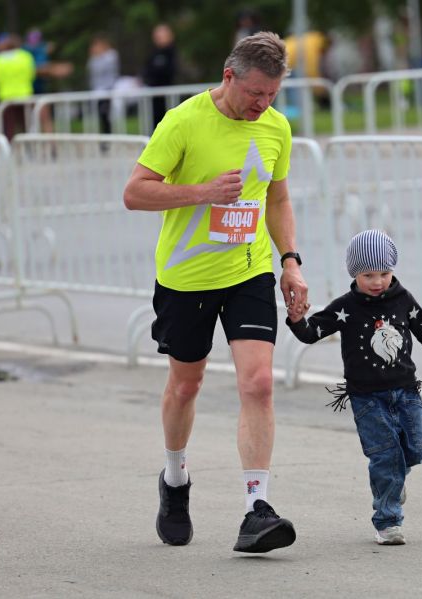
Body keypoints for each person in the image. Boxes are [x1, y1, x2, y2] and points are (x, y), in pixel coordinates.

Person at [122, 31, 307, 553]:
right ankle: (175, 478)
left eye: (272, 95)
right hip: (187, 279)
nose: (263, 104)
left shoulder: (276, 127)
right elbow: (134, 192)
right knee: (186, 385)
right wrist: (203, 192)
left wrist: (290, 261)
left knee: (259, 383)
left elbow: (277, 198)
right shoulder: (183, 121)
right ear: (229, 77)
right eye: (255, 93)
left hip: (249, 270)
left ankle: (257, 508)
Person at [285, 230, 422, 546]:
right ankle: (388, 521)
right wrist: (298, 319)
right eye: (368, 275)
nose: (377, 281)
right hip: (366, 397)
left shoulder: (403, 300)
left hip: (406, 391)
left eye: (384, 273)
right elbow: (311, 333)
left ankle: (393, 481)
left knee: (417, 447)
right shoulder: (346, 307)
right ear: (354, 274)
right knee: (384, 457)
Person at [0, 34, 36, 140]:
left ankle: (8, 147)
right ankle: (28, 146)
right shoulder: (25, 56)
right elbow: (31, 75)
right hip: (24, 94)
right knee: (26, 125)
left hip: (6, 96)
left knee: (8, 127)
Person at [142, 24, 177, 128]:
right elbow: (146, 71)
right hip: (154, 97)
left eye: (162, 36)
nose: (159, 39)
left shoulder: (172, 54)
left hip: (169, 97)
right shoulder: (153, 53)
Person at [87, 34, 119, 134]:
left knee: (106, 114)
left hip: (109, 88)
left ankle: (109, 134)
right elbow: (92, 70)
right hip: (97, 90)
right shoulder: (94, 58)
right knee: (100, 115)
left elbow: (101, 69)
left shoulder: (111, 55)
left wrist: (98, 56)